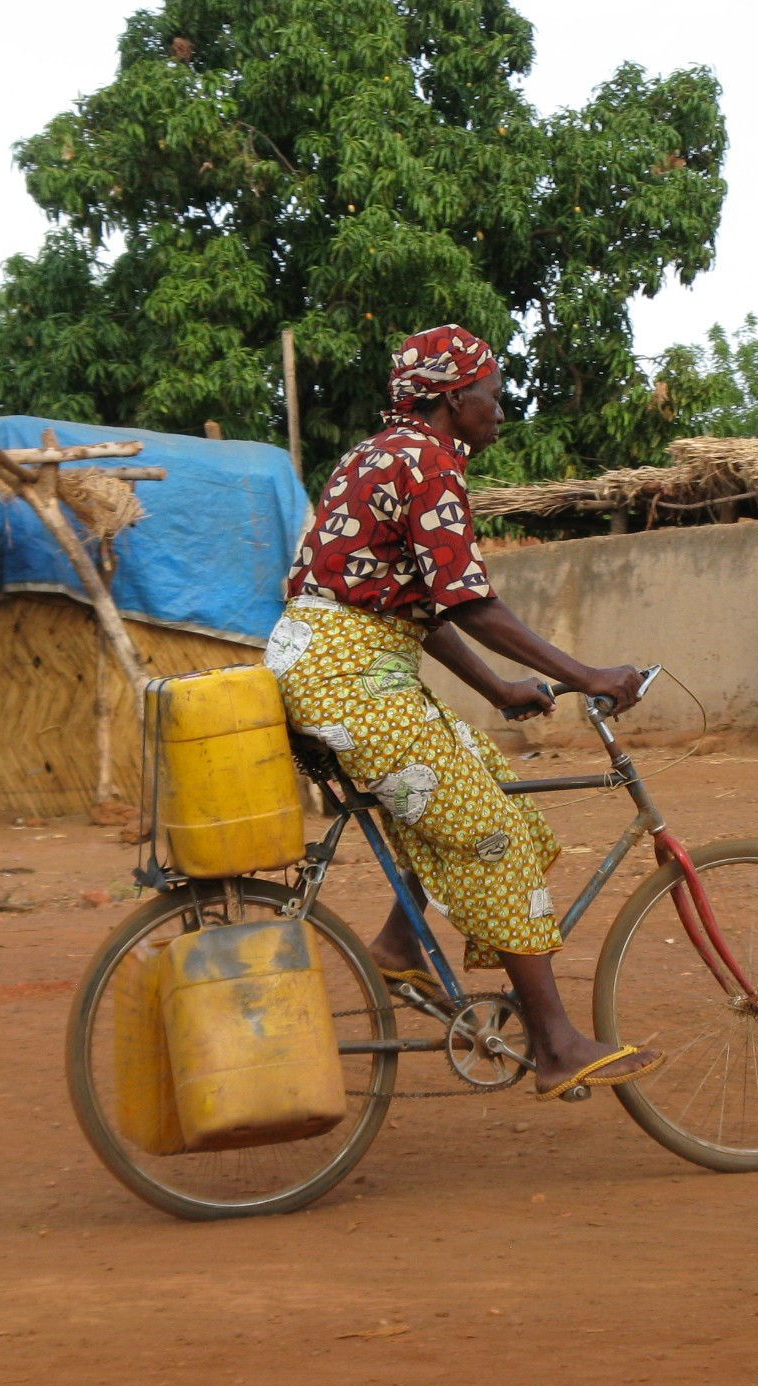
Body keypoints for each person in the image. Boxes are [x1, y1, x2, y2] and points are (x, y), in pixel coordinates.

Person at [266, 324, 662, 1100]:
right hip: (349, 681)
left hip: (329, 668)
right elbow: (470, 602)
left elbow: (419, 604)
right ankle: (555, 1046)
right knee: (493, 832)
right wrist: (586, 675)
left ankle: (396, 944)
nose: (500, 412)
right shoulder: (430, 462)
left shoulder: (374, 453)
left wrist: (499, 691)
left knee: (474, 769)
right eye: (493, 395)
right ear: (455, 398)